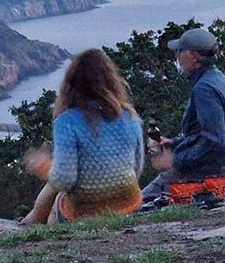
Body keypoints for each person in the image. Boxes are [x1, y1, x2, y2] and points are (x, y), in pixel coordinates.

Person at [20, 48, 145, 224]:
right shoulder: (129, 116)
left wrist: (43, 166)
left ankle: (35, 227)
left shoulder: (67, 121)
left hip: (86, 213)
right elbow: (137, 168)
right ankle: (31, 221)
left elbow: (65, 180)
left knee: (56, 200)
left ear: (71, 83)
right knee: (58, 191)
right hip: (129, 204)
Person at [141, 28, 225, 204]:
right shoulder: (218, 80)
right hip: (224, 170)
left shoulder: (204, 89)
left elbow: (215, 140)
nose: (177, 56)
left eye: (180, 51)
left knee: (136, 205)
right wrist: (174, 143)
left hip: (208, 176)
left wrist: (175, 160)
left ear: (194, 56)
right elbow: (208, 132)